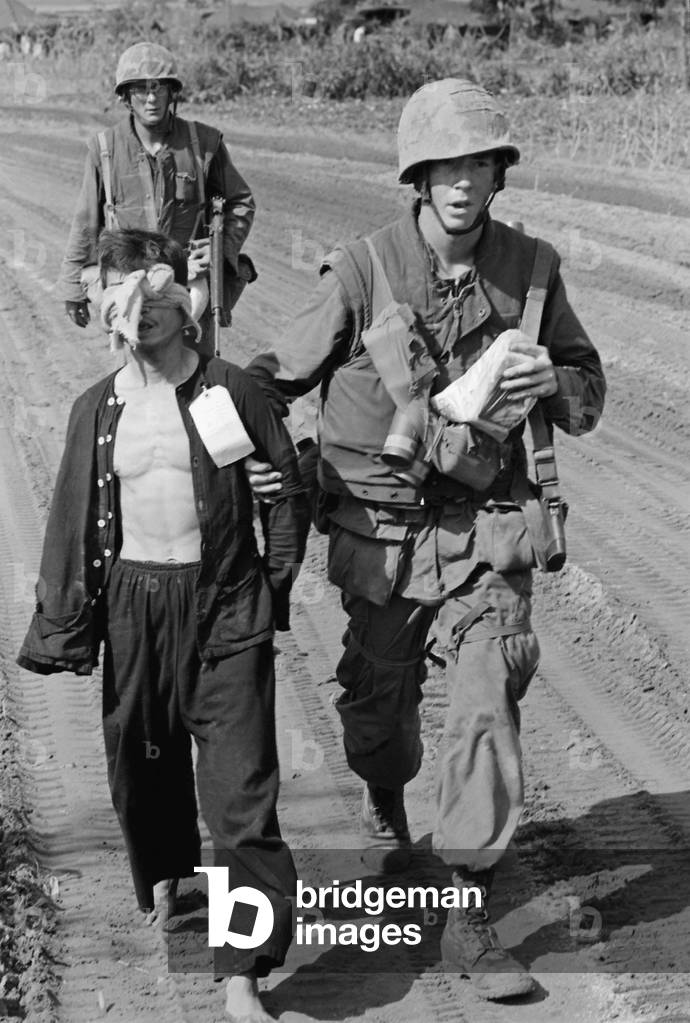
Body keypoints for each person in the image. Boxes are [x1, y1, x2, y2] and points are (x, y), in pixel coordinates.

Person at [245, 78, 606, 1000]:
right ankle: (385, 802)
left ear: (497, 175)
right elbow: (273, 379)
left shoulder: (532, 271)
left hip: (488, 531)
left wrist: (549, 390)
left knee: (488, 698)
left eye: (477, 164)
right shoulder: (362, 271)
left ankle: (466, 900)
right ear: (417, 175)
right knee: (378, 718)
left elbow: (588, 391)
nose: (461, 181)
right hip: (384, 538)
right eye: (444, 166)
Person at [19, 228, 310, 1022]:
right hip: (136, 608)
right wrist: (67, 622)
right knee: (143, 781)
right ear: (105, 310)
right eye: (121, 301)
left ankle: (242, 976)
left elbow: (287, 494)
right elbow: (71, 521)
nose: (139, 315)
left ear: (184, 301)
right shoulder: (98, 409)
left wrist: (268, 589)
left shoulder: (231, 392)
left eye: (152, 297)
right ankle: (178, 900)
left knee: (242, 794)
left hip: (222, 603)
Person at [59, 41, 256, 358]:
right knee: (140, 382)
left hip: (190, 286)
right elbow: (86, 223)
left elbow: (241, 202)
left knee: (196, 376)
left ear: (172, 93)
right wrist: (72, 288)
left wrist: (221, 247)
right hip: (130, 288)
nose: (151, 99)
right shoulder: (105, 149)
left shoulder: (203, 144)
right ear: (126, 96)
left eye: (159, 88)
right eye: (140, 89)